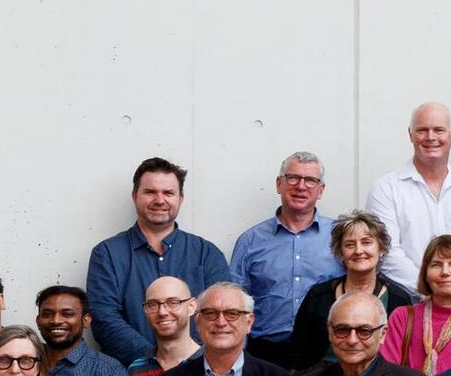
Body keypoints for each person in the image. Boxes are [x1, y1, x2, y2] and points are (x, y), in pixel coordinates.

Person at [89, 160, 237, 365]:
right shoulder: (107, 254)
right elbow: (104, 320)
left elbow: (224, 315)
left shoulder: (206, 253)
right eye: (150, 192)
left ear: (181, 199)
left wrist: (189, 362)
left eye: (168, 193)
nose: (160, 200)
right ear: (135, 196)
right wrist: (156, 360)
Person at [235, 154, 345, 369]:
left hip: (326, 355)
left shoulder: (340, 237)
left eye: (310, 180)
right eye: (293, 178)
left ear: (321, 190)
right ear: (279, 184)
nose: (301, 186)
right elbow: (236, 302)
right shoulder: (251, 241)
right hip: (265, 353)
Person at [369, 103, 451, 270]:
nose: (430, 137)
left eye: (439, 130)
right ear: (410, 135)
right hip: (406, 295)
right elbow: (387, 253)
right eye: (422, 130)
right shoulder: (385, 190)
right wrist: (430, 289)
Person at [289, 215, 411, 376]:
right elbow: (298, 354)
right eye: (349, 244)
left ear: (381, 249)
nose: (359, 251)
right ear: (340, 252)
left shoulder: (399, 299)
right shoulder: (318, 296)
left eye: (366, 242)